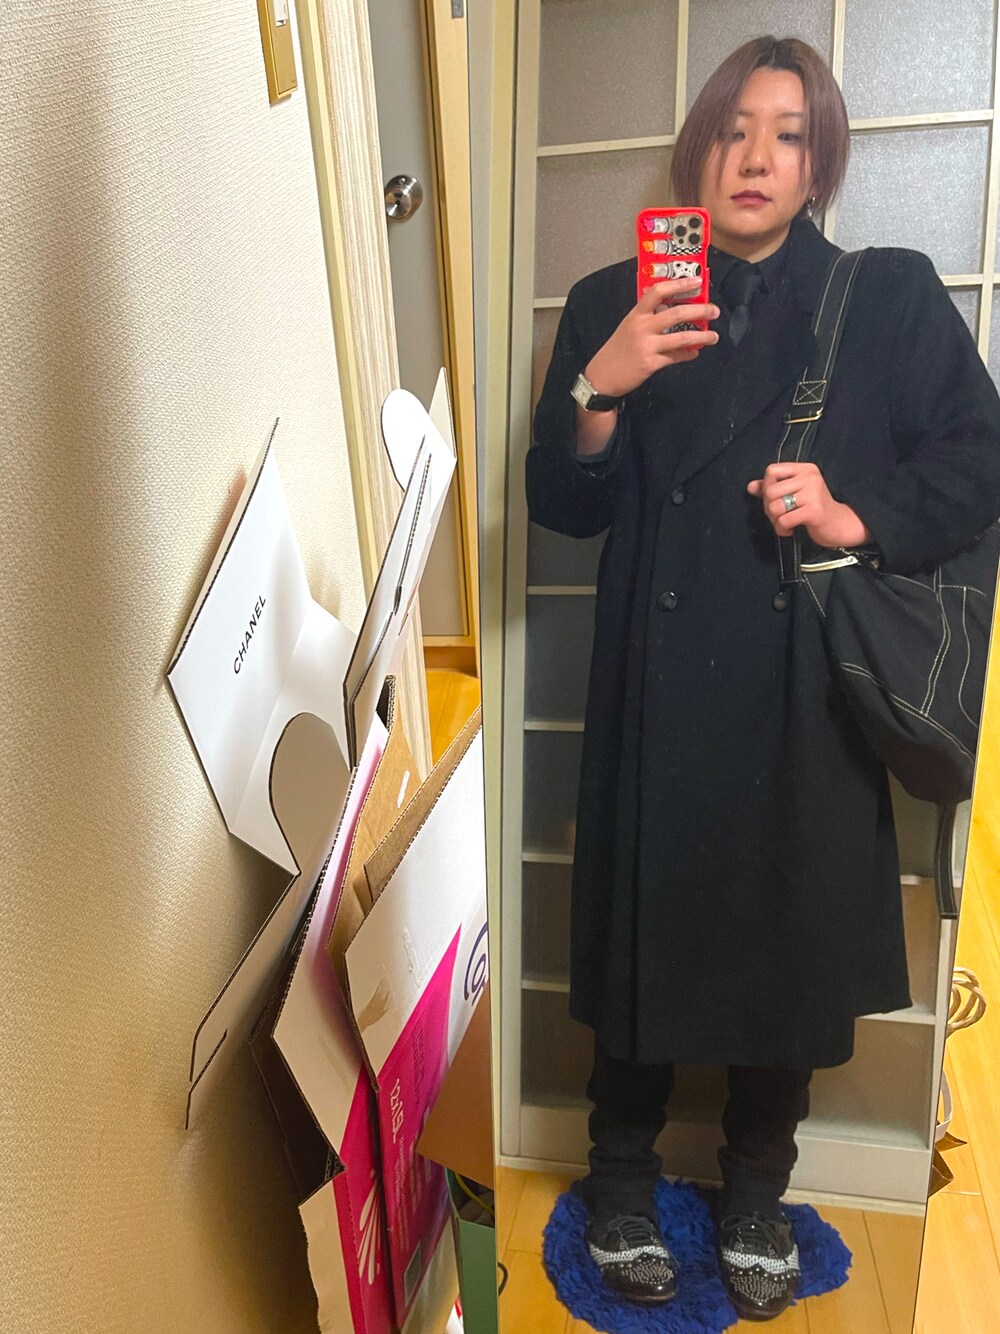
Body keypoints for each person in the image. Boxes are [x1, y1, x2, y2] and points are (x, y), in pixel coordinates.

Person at [526, 35, 1000, 1323]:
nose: (755, 157)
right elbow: (563, 504)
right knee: (644, 916)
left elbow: (979, 463)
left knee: (785, 934)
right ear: (698, 150)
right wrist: (601, 383)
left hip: (803, 683)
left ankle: (754, 1192)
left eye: (789, 135)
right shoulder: (613, 299)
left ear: (819, 163)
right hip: (655, 673)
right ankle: (621, 1176)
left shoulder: (883, 298)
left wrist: (853, 511)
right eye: (733, 128)